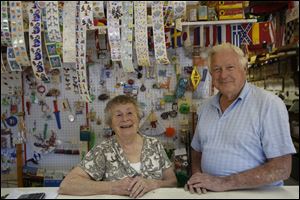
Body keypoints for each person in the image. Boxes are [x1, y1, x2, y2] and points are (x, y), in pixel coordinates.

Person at [186, 43, 296, 194]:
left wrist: (224, 183)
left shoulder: (268, 105)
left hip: (256, 195)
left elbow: (281, 168)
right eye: (217, 69)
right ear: (211, 74)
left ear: (244, 69)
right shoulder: (205, 107)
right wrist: (198, 178)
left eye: (230, 67)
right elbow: (196, 151)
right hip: (210, 194)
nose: (223, 75)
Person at [59, 95, 177, 198]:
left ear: (138, 118)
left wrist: (153, 184)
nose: (125, 119)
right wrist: (112, 187)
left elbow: (172, 182)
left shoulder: (154, 144)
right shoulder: (103, 150)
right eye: (118, 115)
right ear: (111, 123)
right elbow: (67, 185)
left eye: (130, 113)